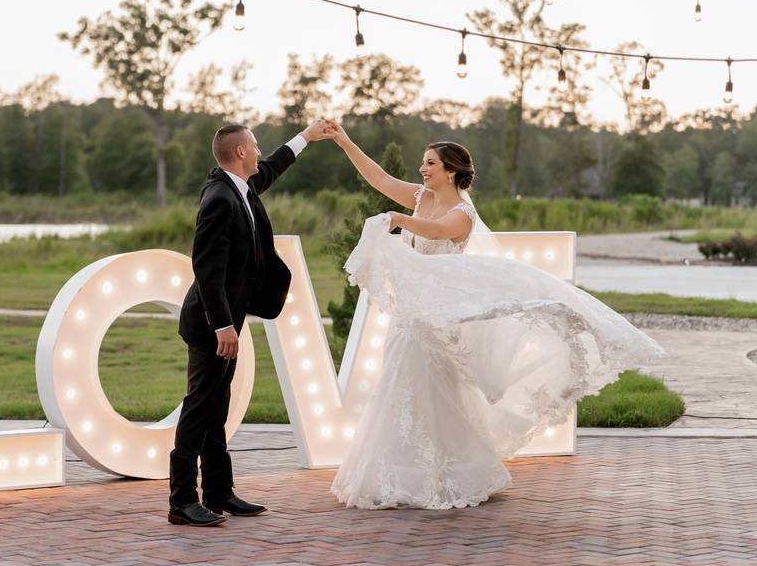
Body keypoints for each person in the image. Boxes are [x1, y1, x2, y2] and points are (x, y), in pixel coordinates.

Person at [326, 125, 664, 510]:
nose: (422, 169)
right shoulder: (421, 197)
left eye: (430, 163)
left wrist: (400, 220)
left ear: (451, 171)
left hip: (438, 318)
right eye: (423, 163)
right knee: (400, 389)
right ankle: (399, 472)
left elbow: (438, 231)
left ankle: (449, 474)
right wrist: (343, 140)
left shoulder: (462, 213)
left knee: (435, 391)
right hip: (410, 316)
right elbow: (379, 178)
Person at [169, 121, 334, 526]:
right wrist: (223, 326)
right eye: (255, 147)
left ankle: (220, 493)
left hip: (226, 320)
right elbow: (206, 269)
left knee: (216, 408)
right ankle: (181, 502)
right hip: (212, 323)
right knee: (199, 408)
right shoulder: (219, 199)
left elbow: (272, 167)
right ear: (240, 152)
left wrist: (305, 138)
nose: (260, 153)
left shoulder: (240, 188)